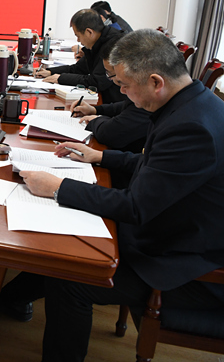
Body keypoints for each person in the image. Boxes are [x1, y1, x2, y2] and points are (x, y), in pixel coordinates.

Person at [19, 29, 224, 362]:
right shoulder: (191, 104)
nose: (123, 93)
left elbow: (136, 207)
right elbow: (156, 165)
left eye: (125, 86)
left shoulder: (192, 127)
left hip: (186, 263)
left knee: (70, 277)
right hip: (173, 229)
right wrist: (101, 157)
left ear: (156, 81)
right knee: (64, 242)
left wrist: (58, 186)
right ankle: (8, 299)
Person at [67, 39, 151, 155]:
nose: (122, 90)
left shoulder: (149, 99)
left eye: (110, 74)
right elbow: (126, 105)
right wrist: (95, 110)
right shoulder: (142, 92)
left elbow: (111, 134)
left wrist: (96, 120)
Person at [36, 9, 125, 104]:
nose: (78, 40)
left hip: (115, 103)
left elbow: (98, 81)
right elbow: (78, 68)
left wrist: (61, 78)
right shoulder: (98, 42)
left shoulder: (112, 46)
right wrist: (50, 72)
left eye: (78, 36)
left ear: (89, 32)